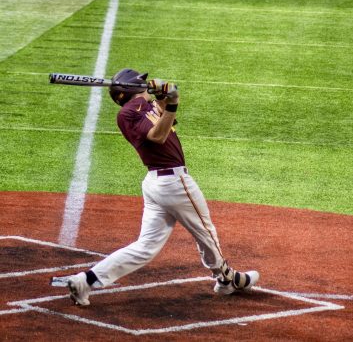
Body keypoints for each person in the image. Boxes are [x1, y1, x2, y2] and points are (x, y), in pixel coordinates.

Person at [68, 68, 260, 306]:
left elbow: (169, 121)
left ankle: (84, 281)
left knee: (145, 247)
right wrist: (173, 102)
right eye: (143, 82)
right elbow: (158, 135)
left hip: (158, 184)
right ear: (131, 88)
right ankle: (227, 279)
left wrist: (164, 96)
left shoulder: (144, 107)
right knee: (206, 233)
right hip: (173, 183)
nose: (146, 83)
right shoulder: (127, 115)